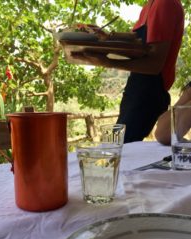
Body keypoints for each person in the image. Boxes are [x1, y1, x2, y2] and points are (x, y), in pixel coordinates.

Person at [72, 0, 184, 143]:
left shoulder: (165, 3)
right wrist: (107, 37)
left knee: (119, 149)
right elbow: (137, 41)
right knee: (116, 145)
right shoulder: (150, 5)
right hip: (136, 88)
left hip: (149, 92)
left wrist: (108, 62)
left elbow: (154, 65)